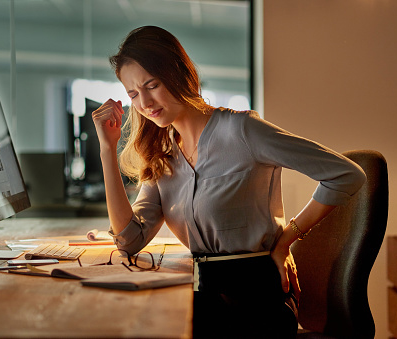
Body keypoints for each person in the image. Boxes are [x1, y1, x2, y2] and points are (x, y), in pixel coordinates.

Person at [92, 26, 366, 339]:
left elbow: (345, 174)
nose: (144, 102)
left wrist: (287, 239)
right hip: (206, 294)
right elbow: (129, 240)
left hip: (258, 300)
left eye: (152, 85)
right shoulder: (162, 153)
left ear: (178, 73)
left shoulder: (243, 130)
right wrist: (107, 149)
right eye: (133, 94)